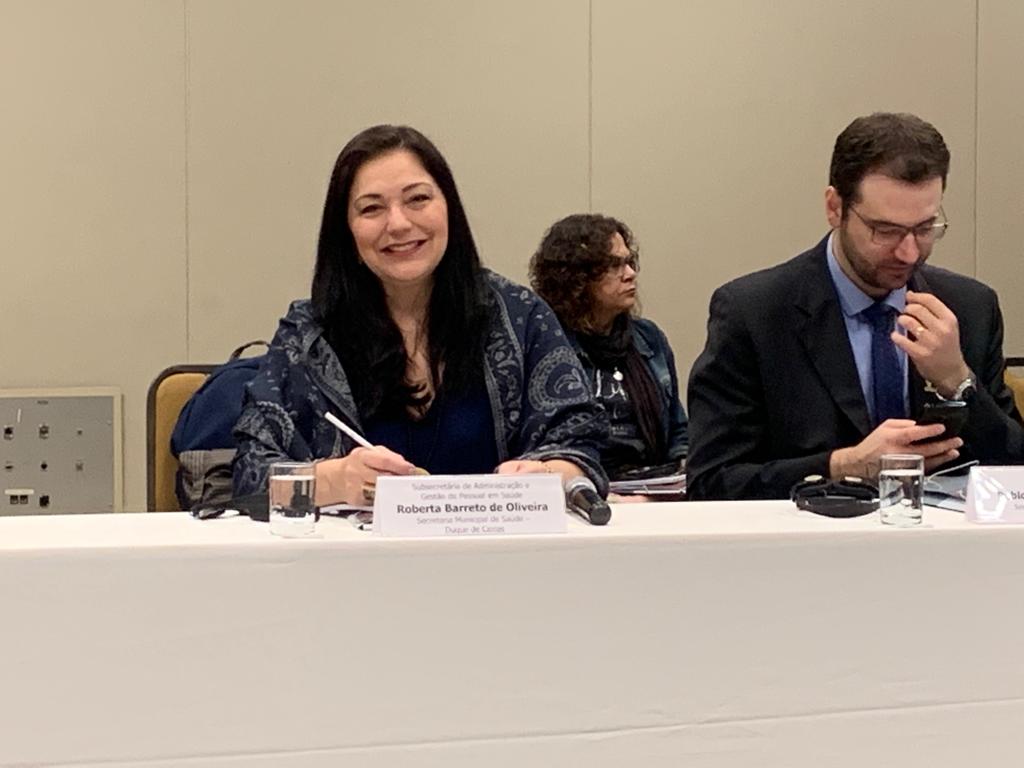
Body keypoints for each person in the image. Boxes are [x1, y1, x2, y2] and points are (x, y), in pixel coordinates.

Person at [233, 125, 608, 505]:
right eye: (372, 208)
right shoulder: (309, 334)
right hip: (356, 544)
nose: (398, 224)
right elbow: (251, 478)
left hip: (498, 540)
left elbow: (580, 448)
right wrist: (335, 481)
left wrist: (548, 473)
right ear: (345, 230)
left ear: (450, 209)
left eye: (417, 199)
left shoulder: (520, 316)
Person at [686, 112, 1024, 500]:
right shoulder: (754, 314)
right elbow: (710, 483)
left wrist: (958, 382)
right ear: (835, 208)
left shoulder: (970, 308)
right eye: (886, 230)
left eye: (925, 228)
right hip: (810, 536)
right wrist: (844, 466)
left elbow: (1014, 476)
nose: (909, 252)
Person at [529, 214, 688, 486]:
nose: (630, 274)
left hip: (653, 484)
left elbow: (678, 431)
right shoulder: (546, 343)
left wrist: (681, 476)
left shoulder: (648, 339)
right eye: (615, 265)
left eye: (629, 261)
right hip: (578, 484)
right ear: (577, 278)